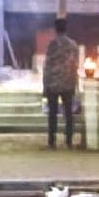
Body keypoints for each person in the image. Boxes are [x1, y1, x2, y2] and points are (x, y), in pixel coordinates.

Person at [42, 17, 80, 149]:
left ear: (55, 29)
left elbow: (47, 65)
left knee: (52, 114)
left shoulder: (52, 45)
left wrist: (45, 85)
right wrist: (76, 83)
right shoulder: (73, 45)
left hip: (53, 83)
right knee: (68, 113)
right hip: (68, 82)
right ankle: (68, 141)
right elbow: (76, 65)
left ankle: (51, 142)